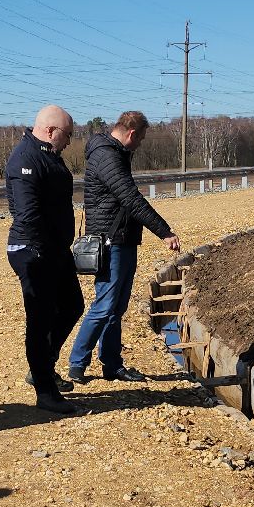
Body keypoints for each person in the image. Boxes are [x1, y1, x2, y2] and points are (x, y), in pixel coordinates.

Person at [68, 110, 179, 384]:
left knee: (116, 307)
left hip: (124, 239)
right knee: (104, 305)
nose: (140, 144)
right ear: (131, 133)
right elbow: (130, 198)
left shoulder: (115, 153)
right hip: (110, 241)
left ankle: (112, 364)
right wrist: (164, 232)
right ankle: (77, 363)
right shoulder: (107, 155)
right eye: (140, 139)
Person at [5, 104, 84, 415]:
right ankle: (45, 391)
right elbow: (27, 213)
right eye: (68, 135)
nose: (69, 141)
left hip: (54, 250)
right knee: (39, 321)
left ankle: (42, 369)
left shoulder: (49, 155)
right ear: (51, 130)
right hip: (35, 251)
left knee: (72, 306)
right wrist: (42, 252)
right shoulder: (26, 159)